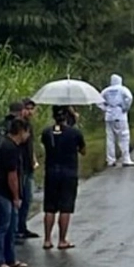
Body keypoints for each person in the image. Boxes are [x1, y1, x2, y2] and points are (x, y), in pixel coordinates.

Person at [0, 118, 31, 267]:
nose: (28, 135)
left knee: (11, 227)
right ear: (21, 131)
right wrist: (16, 196)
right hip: (1, 191)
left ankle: (10, 259)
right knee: (2, 226)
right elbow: (12, 176)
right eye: (27, 132)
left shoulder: (12, 145)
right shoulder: (9, 148)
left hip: (4, 191)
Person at [40, 106, 86, 250]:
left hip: (51, 171)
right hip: (69, 172)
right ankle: (62, 240)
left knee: (50, 207)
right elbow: (83, 151)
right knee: (65, 207)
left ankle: (47, 240)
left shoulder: (47, 132)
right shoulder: (75, 133)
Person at [99, 74, 134, 167]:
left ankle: (110, 160)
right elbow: (130, 98)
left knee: (110, 138)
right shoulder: (123, 89)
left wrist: (105, 108)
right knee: (124, 137)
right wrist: (125, 107)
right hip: (120, 115)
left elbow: (98, 101)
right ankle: (126, 159)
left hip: (109, 116)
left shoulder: (106, 90)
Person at [16, 99, 40, 240]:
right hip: (20, 167)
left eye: (32, 109)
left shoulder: (29, 126)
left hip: (28, 166)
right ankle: (17, 229)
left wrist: (34, 159)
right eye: (27, 108)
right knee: (19, 198)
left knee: (28, 198)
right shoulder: (17, 126)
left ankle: (22, 227)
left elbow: (31, 145)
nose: (30, 111)